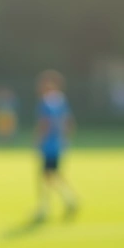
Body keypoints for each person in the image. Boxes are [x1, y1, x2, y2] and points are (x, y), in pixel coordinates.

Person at [33, 70, 78, 223]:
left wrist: (38, 141)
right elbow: (69, 122)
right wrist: (66, 139)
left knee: (48, 176)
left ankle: (49, 206)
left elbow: (44, 124)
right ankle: (64, 201)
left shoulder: (46, 102)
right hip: (58, 144)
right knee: (52, 176)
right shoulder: (61, 101)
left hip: (49, 145)